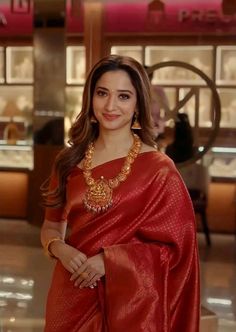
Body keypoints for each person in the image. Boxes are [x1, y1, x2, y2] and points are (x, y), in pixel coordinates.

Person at [40, 55, 200, 332]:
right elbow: (51, 226)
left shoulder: (160, 170)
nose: (111, 106)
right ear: (90, 99)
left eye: (124, 96)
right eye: (102, 93)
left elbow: (178, 251)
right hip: (72, 289)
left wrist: (110, 261)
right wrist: (59, 248)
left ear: (138, 105)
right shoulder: (67, 161)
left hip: (134, 301)